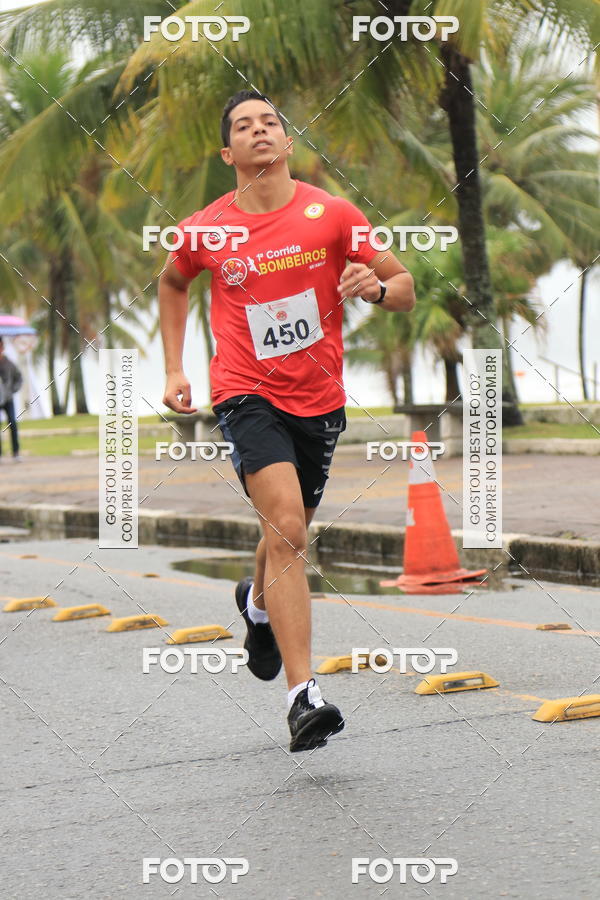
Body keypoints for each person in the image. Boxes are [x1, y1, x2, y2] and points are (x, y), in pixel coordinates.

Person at [159, 90, 415, 752]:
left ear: (287, 140)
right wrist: (174, 369)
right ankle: (304, 697)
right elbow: (173, 282)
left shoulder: (333, 215)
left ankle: (256, 606)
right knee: (291, 532)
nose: (259, 131)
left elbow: (404, 286)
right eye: (244, 127)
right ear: (229, 153)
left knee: (284, 533)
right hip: (246, 394)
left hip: (320, 400)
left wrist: (377, 289)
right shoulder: (206, 228)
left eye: (269, 122)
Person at [0, 336, 23, 463]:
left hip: (8, 399)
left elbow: (19, 378)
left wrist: (13, 389)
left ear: (2, 347)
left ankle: (16, 452)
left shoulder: (9, 364)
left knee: (12, 424)